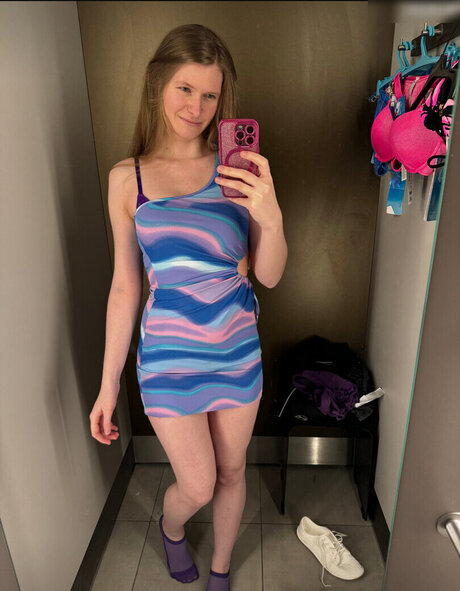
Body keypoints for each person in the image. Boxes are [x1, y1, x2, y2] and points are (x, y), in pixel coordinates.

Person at [89, 23, 287, 590]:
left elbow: (269, 274)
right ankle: (172, 527)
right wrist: (108, 386)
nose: (195, 107)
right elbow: (125, 287)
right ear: (159, 85)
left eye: (209, 95)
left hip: (237, 352)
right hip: (169, 361)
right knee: (197, 485)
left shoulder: (240, 171)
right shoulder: (127, 180)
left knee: (232, 472)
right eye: (184, 88)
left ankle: (221, 567)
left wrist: (271, 216)